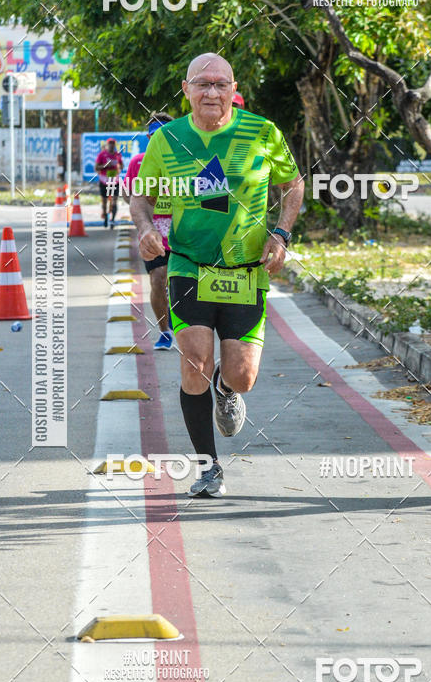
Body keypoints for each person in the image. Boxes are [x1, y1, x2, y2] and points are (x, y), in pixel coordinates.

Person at [131, 52, 304, 498]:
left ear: (233, 89)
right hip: (188, 264)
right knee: (194, 364)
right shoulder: (167, 139)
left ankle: (226, 389)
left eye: (220, 84)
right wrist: (147, 227)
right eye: (202, 84)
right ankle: (209, 468)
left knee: (242, 375)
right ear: (186, 90)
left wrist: (281, 234)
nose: (212, 92)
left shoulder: (262, 132)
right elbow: (141, 197)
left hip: (246, 270)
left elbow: (294, 184)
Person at [124, 113, 174, 350]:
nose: (160, 141)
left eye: (165, 136)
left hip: (183, 233)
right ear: (148, 137)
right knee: (158, 278)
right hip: (153, 233)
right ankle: (165, 331)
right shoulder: (138, 163)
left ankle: (180, 320)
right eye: (155, 137)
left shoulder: (184, 161)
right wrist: (140, 205)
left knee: (182, 282)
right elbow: (128, 194)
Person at [95, 138, 123, 227]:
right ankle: (105, 215)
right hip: (104, 181)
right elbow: (96, 168)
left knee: (114, 201)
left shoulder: (118, 155)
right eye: (110, 143)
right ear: (107, 145)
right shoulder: (102, 155)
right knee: (104, 201)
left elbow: (121, 165)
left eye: (113, 143)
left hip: (115, 181)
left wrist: (119, 168)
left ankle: (113, 219)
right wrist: (105, 165)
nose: (111, 145)